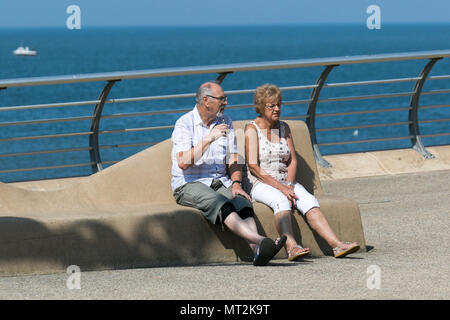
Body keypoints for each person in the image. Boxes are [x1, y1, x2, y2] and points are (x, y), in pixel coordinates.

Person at [171, 81, 286, 266]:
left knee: (242, 202)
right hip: (190, 183)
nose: (225, 102)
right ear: (206, 101)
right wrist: (209, 138)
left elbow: (233, 157)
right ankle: (260, 240)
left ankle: (257, 252)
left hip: (219, 180)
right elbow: (183, 162)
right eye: (222, 99)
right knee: (219, 203)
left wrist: (236, 183)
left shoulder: (225, 121)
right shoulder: (184, 124)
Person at [244, 83, 360, 260]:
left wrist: (289, 184)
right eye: (272, 106)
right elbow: (253, 166)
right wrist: (282, 189)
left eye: (278, 105)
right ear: (261, 107)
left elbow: (292, 160)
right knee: (280, 201)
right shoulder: (252, 129)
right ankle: (292, 247)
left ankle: (336, 245)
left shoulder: (284, 127)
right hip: (262, 182)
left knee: (308, 200)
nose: (277, 109)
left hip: (285, 180)